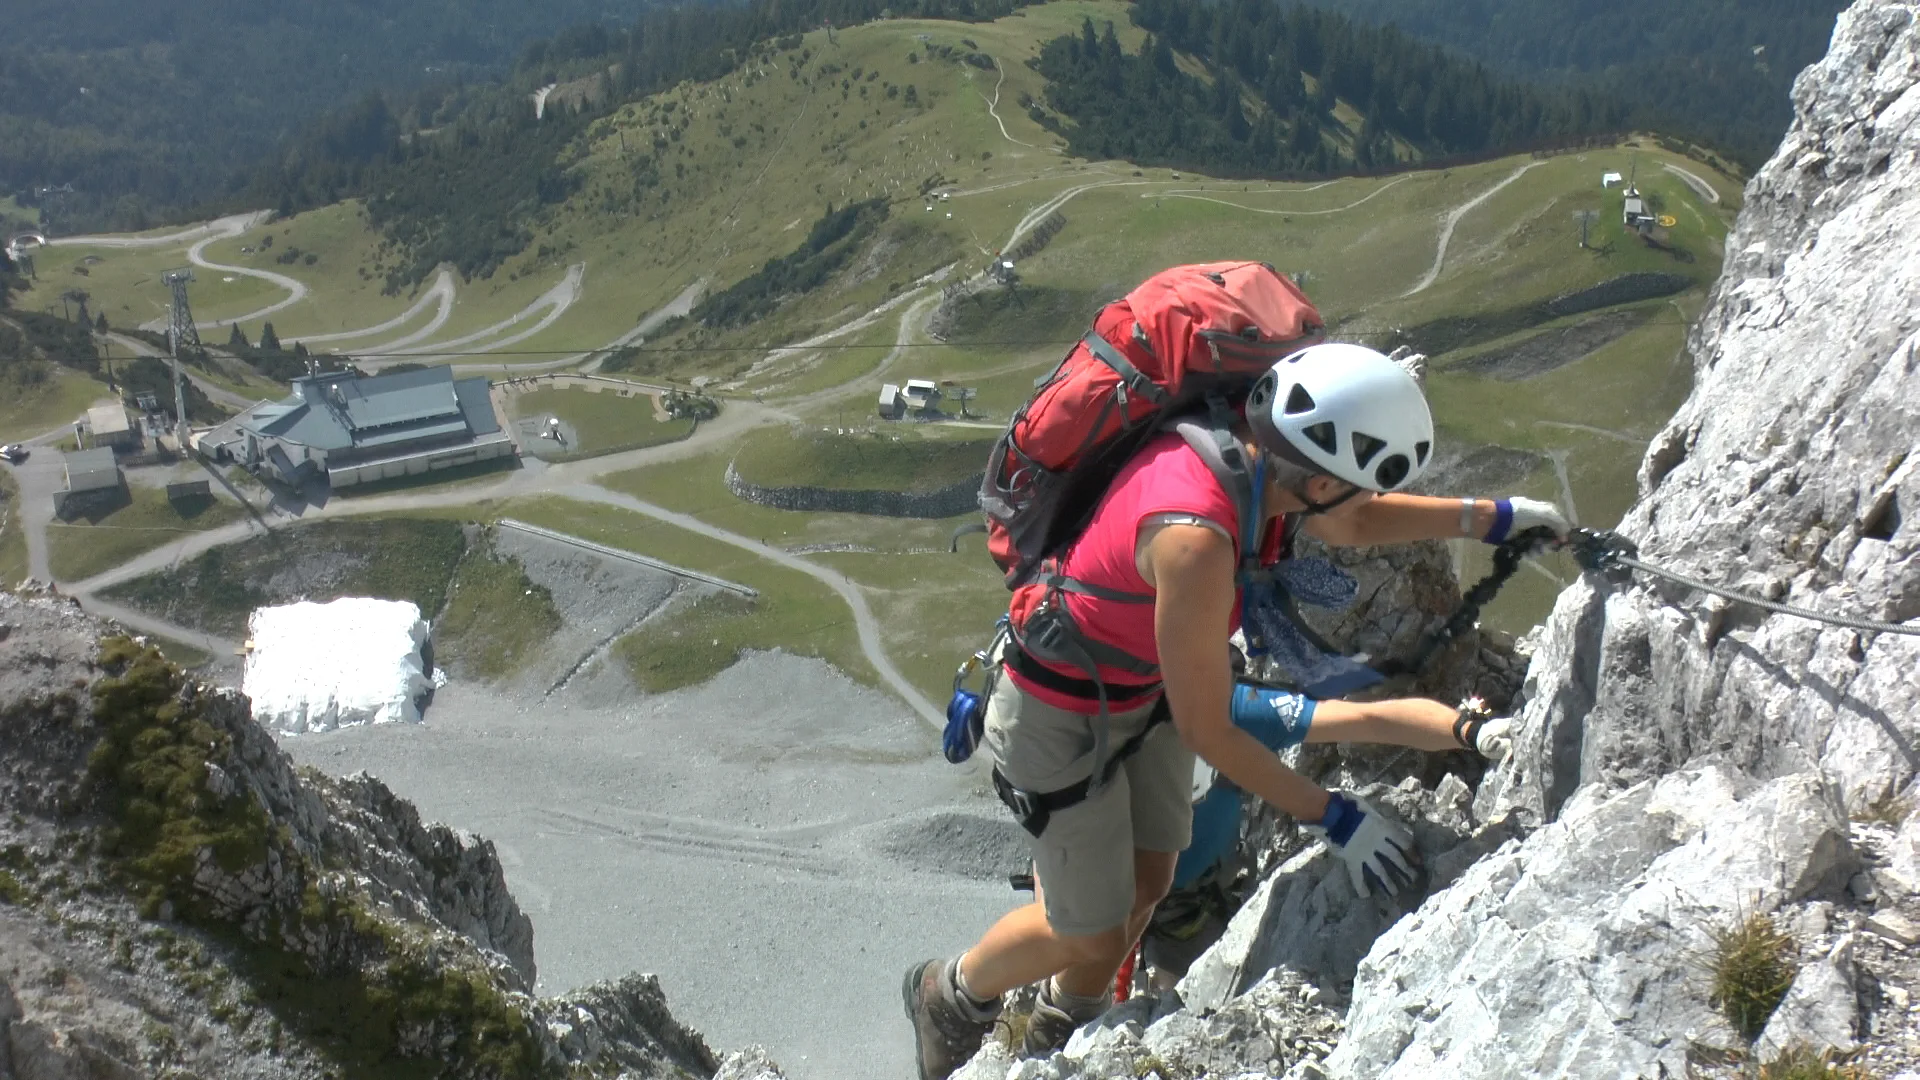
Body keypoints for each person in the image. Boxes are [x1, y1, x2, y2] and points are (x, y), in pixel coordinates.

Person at [903, 343, 1570, 1079]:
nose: (1358, 503)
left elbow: (1347, 524)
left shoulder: (1252, 459)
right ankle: (949, 995)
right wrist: (1334, 817)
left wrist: (1492, 518)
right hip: (1057, 712)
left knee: (1149, 884)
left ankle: (1062, 1024)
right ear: (1321, 480)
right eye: (1353, 488)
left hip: (1141, 690)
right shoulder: (1196, 537)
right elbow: (1209, 729)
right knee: (1089, 928)